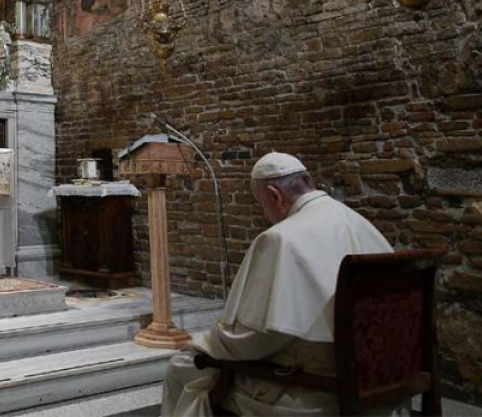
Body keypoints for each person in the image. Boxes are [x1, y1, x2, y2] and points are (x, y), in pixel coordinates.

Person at [162, 152, 393, 416]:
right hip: (380, 378)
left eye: (261, 204)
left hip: (318, 390)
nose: (265, 213)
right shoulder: (360, 223)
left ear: (274, 195)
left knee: (181, 367)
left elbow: (254, 339)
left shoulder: (280, 239)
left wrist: (204, 344)